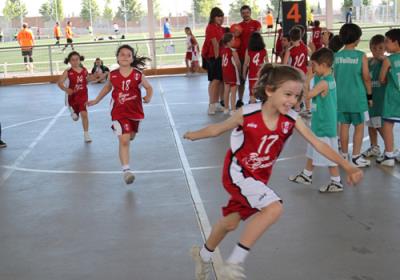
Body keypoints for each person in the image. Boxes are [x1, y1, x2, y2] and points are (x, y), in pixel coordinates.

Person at [185, 64, 363, 280]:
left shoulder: (292, 119)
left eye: (297, 96)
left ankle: (202, 256)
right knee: (274, 208)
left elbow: (318, 144)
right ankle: (234, 262)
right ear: (269, 91)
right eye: (287, 94)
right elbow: (217, 129)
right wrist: (194, 134)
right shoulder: (248, 114)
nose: (292, 101)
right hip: (239, 174)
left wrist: (348, 165)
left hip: (259, 177)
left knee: (230, 223)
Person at [87, 45, 153, 184]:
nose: (124, 56)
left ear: (132, 58)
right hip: (118, 112)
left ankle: (130, 134)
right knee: (124, 140)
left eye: (128, 55)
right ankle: (126, 171)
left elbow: (148, 87)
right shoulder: (113, 74)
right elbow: (107, 87)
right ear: (117, 58)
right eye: (121, 54)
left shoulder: (138, 74)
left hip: (135, 112)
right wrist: (96, 100)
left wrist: (148, 96)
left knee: (130, 136)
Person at [289, 48, 343, 192]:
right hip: (321, 120)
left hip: (325, 123)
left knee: (328, 152)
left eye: (314, 65)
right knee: (313, 147)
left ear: (324, 65)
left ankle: (336, 181)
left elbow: (307, 95)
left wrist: (306, 79)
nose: (313, 68)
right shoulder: (327, 77)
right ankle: (307, 174)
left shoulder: (324, 83)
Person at [334, 23, 372, 167]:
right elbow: (367, 78)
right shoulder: (361, 56)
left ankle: (343, 156)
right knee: (359, 126)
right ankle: (356, 156)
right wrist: (370, 96)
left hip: (340, 98)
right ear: (357, 39)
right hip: (357, 99)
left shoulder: (336, 56)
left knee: (344, 126)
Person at [57, 51, 93, 143]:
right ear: (69, 61)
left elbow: (87, 79)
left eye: (77, 59)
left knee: (84, 114)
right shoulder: (68, 72)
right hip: (72, 97)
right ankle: (73, 111)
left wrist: (94, 77)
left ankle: (86, 134)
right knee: (76, 118)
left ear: (80, 60)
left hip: (83, 96)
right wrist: (66, 89)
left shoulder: (84, 70)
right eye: (72, 60)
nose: (75, 61)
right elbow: (59, 83)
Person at [377, 28, 400, 166]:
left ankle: (389, 155)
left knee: (388, 124)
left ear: (396, 42)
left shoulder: (389, 60)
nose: (385, 44)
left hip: (392, 97)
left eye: (387, 41)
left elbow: (381, 79)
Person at [361, 35, 386, 159]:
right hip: (370, 99)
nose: (377, 51)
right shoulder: (369, 63)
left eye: (381, 48)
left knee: (380, 125)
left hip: (380, 100)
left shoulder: (386, 63)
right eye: (374, 48)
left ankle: (391, 147)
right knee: (371, 124)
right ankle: (374, 146)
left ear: (385, 48)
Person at [237, 5, 262, 108]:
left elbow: (259, 36)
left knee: (257, 79)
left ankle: (256, 98)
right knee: (242, 79)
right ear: (241, 14)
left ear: (250, 12)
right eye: (243, 13)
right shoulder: (238, 26)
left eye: (247, 12)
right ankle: (240, 99)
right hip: (242, 55)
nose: (245, 14)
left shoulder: (256, 23)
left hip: (255, 56)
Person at [202, 7, 225, 115]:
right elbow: (215, 44)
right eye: (218, 16)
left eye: (222, 16)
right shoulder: (211, 27)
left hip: (219, 57)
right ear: (213, 17)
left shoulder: (220, 28)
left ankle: (215, 103)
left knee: (217, 81)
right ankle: (211, 104)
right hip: (213, 57)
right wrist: (217, 59)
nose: (220, 18)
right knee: (214, 81)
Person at [243, 32, 267, 103]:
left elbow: (245, 64)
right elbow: (267, 63)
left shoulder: (248, 50)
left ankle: (252, 107)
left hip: (252, 75)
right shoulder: (264, 51)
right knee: (263, 92)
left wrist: (244, 74)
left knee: (252, 93)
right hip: (261, 75)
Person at [221, 33, 241, 115]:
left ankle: (226, 108)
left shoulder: (223, 50)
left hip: (225, 73)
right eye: (233, 40)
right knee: (233, 92)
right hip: (232, 73)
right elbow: (238, 63)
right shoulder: (233, 51)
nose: (234, 41)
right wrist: (239, 72)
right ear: (228, 42)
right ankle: (233, 109)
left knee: (226, 91)